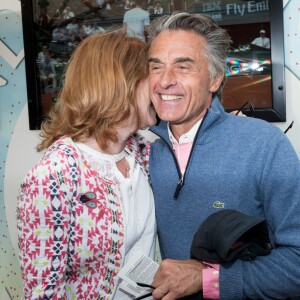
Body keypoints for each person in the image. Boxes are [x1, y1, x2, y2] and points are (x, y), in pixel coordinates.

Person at [147, 12, 300, 299]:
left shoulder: (265, 145)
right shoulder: (147, 154)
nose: (164, 81)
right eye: (156, 67)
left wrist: (210, 279)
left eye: (183, 67)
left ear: (215, 78)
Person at [16, 31, 157, 299]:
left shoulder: (142, 153)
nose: (160, 86)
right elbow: (43, 294)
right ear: (122, 83)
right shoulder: (52, 177)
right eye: (153, 75)